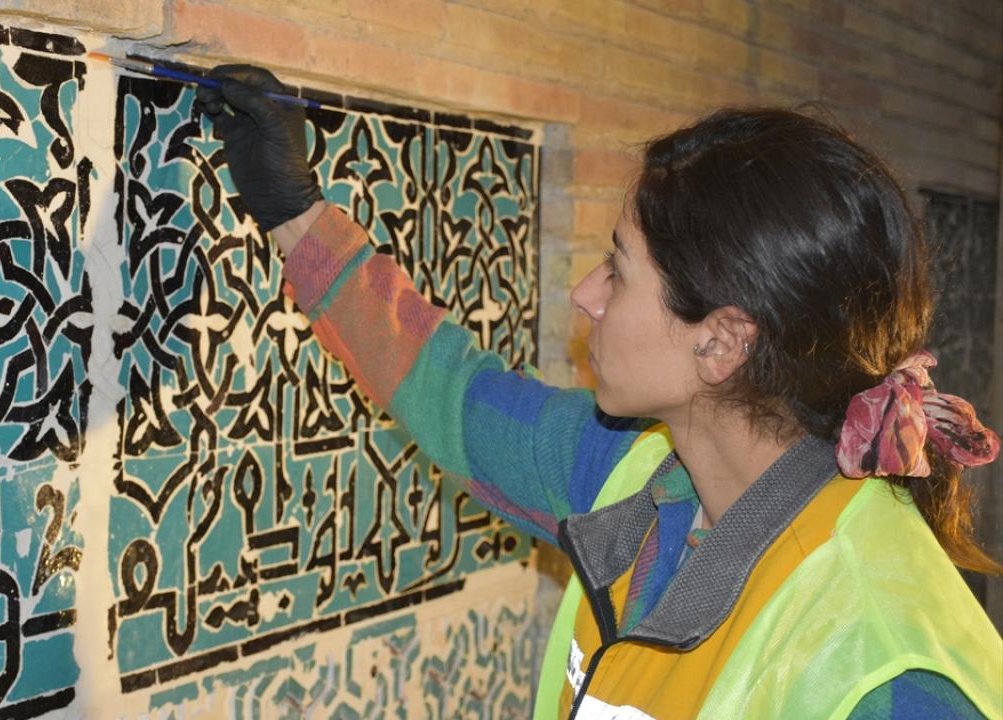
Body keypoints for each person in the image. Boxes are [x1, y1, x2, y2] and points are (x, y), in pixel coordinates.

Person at [194, 66, 1003, 719]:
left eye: (618, 269)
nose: (586, 295)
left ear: (722, 342)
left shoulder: (883, 671)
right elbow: (452, 396)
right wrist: (293, 211)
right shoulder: (635, 477)